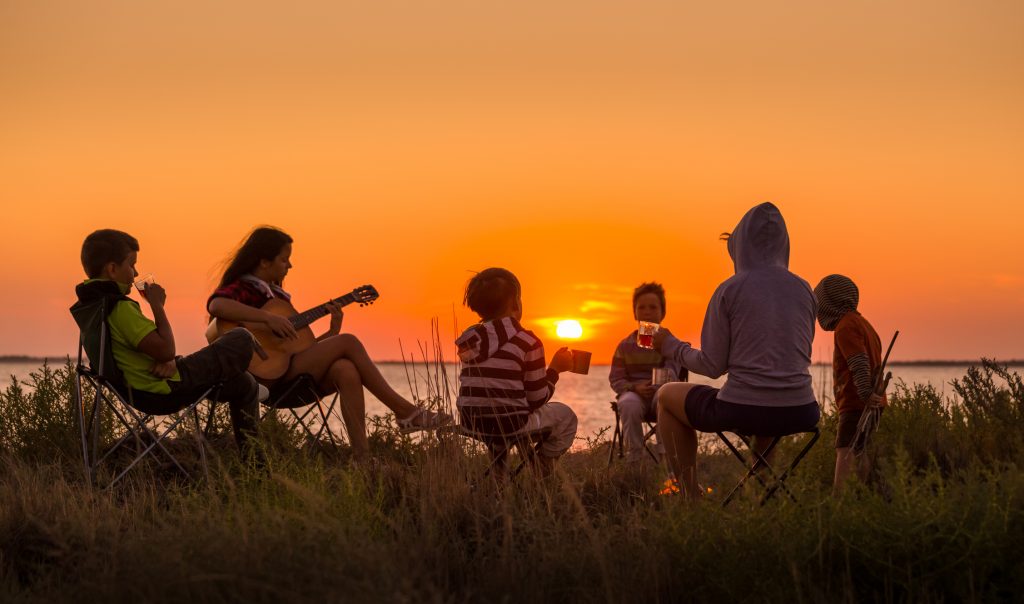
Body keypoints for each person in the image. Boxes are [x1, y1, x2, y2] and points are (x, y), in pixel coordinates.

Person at [206, 226, 450, 461]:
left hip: (287, 379)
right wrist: (268, 318)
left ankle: (362, 458)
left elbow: (294, 352)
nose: (290, 265)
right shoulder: (244, 288)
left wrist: (332, 332)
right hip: (258, 381)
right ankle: (405, 412)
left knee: (346, 369)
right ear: (263, 261)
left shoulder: (278, 298)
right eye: (284, 259)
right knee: (349, 341)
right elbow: (217, 305)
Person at [653, 202, 820, 500]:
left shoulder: (730, 290)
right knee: (767, 403)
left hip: (743, 410)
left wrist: (671, 347)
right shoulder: (805, 290)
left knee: (666, 396)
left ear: (741, 247)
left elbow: (712, 365)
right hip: (801, 410)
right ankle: (761, 492)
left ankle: (690, 498)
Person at [73, 229, 262, 456]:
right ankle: (258, 459)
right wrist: (157, 306)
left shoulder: (91, 306)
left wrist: (168, 360)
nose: (136, 273)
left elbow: (152, 351)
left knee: (244, 384)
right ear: (112, 269)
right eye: (131, 265)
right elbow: (165, 349)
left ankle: (255, 464)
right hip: (165, 390)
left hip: (144, 388)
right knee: (241, 337)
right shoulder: (119, 308)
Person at [455, 268, 578, 476]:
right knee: (566, 416)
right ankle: (542, 469)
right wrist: (555, 370)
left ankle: (499, 476)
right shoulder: (528, 342)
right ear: (515, 303)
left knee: (506, 409)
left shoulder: (468, 341)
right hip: (509, 423)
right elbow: (538, 399)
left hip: (471, 420)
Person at [813, 274, 887, 494]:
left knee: (844, 450)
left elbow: (859, 362)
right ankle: (861, 495)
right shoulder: (863, 323)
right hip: (872, 402)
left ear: (829, 303)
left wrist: (865, 394)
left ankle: (841, 501)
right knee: (859, 449)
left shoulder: (846, 326)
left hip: (857, 402)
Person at [609, 282, 687, 463]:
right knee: (628, 403)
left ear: (663, 312)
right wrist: (634, 387)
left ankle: (666, 460)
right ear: (634, 312)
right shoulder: (625, 345)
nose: (647, 312)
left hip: (660, 394)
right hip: (634, 394)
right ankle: (634, 458)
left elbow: (672, 374)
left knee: (665, 399)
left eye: (653, 307)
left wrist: (655, 386)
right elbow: (616, 378)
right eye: (641, 307)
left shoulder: (669, 343)